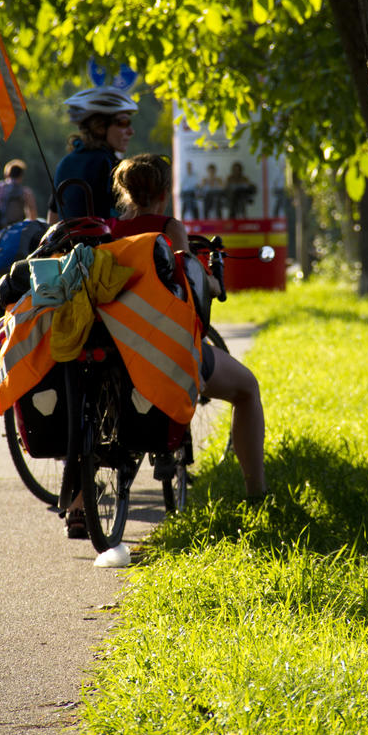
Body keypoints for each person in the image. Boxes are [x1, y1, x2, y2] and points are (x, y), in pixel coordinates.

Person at [109, 152, 267, 500]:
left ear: (124, 192)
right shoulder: (169, 228)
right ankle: (257, 493)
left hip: (119, 344)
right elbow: (187, 276)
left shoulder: (112, 232)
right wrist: (212, 282)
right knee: (247, 389)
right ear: (165, 192)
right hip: (167, 345)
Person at [47, 86, 137, 224]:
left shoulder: (66, 162)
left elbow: (53, 218)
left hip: (68, 243)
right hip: (105, 245)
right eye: (123, 123)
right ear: (100, 127)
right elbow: (131, 215)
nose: (131, 131)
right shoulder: (111, 164)